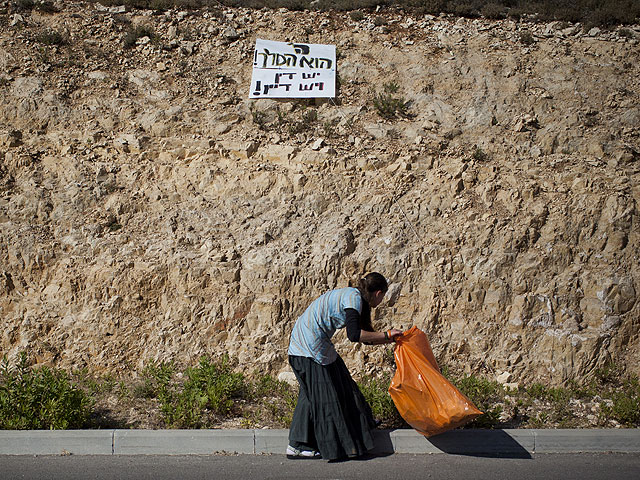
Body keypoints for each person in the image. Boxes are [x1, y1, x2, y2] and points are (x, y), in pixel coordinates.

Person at [286, 272, 402, 460]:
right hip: (308, 346)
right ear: (379, 293)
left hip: (311, 344)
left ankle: (297, 445)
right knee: (326, 398)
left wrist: (390, 338)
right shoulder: (353, 299)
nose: (381, 301)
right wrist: (388, 335)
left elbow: (366, 338)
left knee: (334, 385)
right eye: (383, 297)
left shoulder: (356, 299)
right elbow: (354, 335)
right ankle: (308, 446)